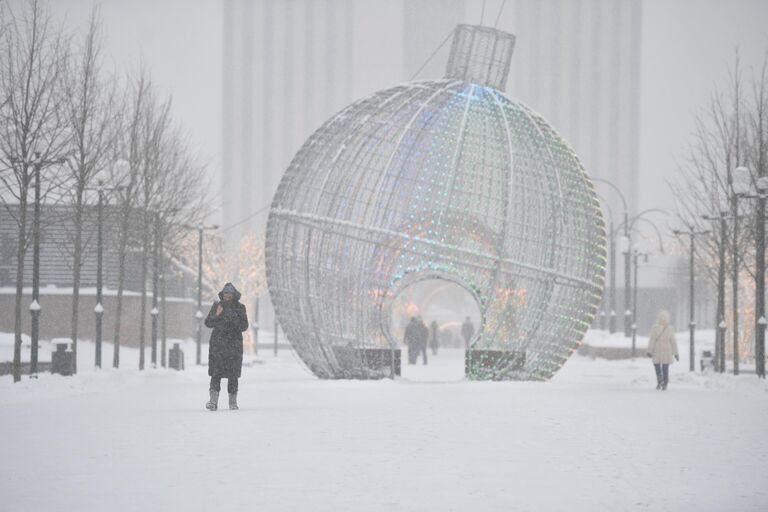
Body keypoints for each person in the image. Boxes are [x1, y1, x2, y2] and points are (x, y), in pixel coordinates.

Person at [205, 282, 249, 410]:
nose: (227, 296)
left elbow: (244, 326)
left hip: (233, 346)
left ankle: (232, 402)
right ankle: (213, 401)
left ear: (234, 294)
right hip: (218, 346)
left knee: (233, 374)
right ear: (222, 294)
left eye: (229, 293)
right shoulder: (217, 306)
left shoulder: (240, 308)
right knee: (215, 373)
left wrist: (233, 318)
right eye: (225, 293)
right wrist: (217, 314)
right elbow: (208, 323)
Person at [646, 310, 679, 391]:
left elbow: (652, 340)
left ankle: (660, 381)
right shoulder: (670, 328)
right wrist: (676, 353)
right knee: (665, 367)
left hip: (658, 349)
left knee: (658, 366)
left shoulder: (655, 328)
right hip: (667, 349)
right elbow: (673, 341)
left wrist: (649, 351)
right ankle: (664, 383)